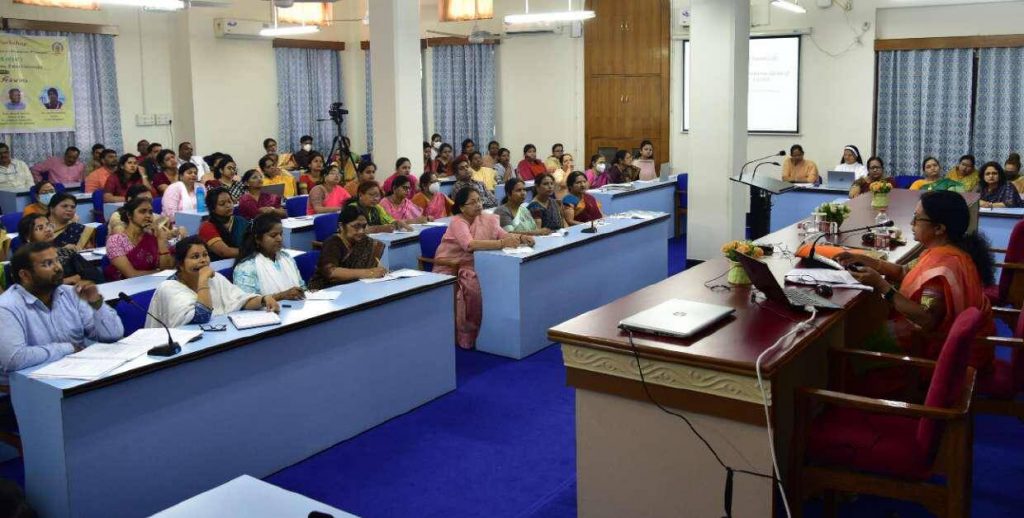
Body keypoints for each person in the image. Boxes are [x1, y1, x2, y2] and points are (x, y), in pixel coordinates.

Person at [836, 190, 994, 370]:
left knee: (857, 343)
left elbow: (926, 319)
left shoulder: (943, 268)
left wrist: (882, 286)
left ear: (939, 228)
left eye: (917, 218)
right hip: (961, 344)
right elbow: (905, 271)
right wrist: (865, 259)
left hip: (945, 358)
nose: (911, 223)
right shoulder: (946, 251)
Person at [0, 242, 123, 383]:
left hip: (77, 376)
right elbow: (14, 359)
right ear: (25, 275)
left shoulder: (71, 294)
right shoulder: (6, 307)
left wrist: (97, 304)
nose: (58, 268)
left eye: (57, 260)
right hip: (24, 387)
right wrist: (68, 348)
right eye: (47, 264)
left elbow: (113, 335)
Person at [433, 187, 535, 349]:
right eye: (473, 202)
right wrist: (501, 244)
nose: (479, 204)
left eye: (479, 200)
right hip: (453, 266)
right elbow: (469, 245)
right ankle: (467, 335)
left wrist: (521, 237)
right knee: (473, 287)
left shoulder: (486, 219)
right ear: (462, 207)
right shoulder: (458, 222)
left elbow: (503, 235)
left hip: (479, 263)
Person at [147, 237, 278, 329]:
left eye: (205, 255)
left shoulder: (215, 278)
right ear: (180, 264)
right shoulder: (169, 288)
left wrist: (263, 300)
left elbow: (240, 300)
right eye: (195, 257)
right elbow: (201, 316)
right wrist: (203, 280)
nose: (203, 260)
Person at [308, 204, 386, 289]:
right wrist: (369, 273)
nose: (361, 231)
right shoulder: (332, 243)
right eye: (356, 226)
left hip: (357, 288)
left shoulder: (366, 242)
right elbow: (331, 273)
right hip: (327, 291)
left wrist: (378, 271)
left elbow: (373, 267)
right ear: (341, 226)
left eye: (364, 226)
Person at [232, 215, 306, 301]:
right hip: (268, 309)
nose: (279, 239)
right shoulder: (246, 268)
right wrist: (281, 296)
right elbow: (246, 302)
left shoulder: (286, 257)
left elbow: (302, 287)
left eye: (281, 234)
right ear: (257, 239)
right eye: (273, 235)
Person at [18, 214, 103, 284]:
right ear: (27, 237)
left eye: (48, 225)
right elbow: (32, 286)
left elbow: (96, 277)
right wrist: (66, 281)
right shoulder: (24, 260)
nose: (48, 230)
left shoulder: (66, 252)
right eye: (40, 228)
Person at [105, 197, 175, 280]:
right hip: (125, 285)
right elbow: (131, 275)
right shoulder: (116, 241)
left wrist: (161, 241)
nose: (148, 216)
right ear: (129, 215)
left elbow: (167, 268)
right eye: (142, 211)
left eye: (150, 212)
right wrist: (160, 272)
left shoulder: (153, 237)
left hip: (155, 282)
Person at [199, 187, 249, 261]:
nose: (228, 205)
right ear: (212, 208)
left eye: (230, 201)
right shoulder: (207, 227)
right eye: (222, 204)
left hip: (242, 261)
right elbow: (224, 252)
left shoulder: (241, 221)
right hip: (219, 265)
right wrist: (251, 252)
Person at [344, 181, 413, 233]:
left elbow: (389, 221)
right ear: (360, 195)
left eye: (377, 196)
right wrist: (381, 228)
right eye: (371, 195)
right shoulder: (352, 208)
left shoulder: (377, 208)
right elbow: (360, 230)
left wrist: (398, 223)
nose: (375, 199)